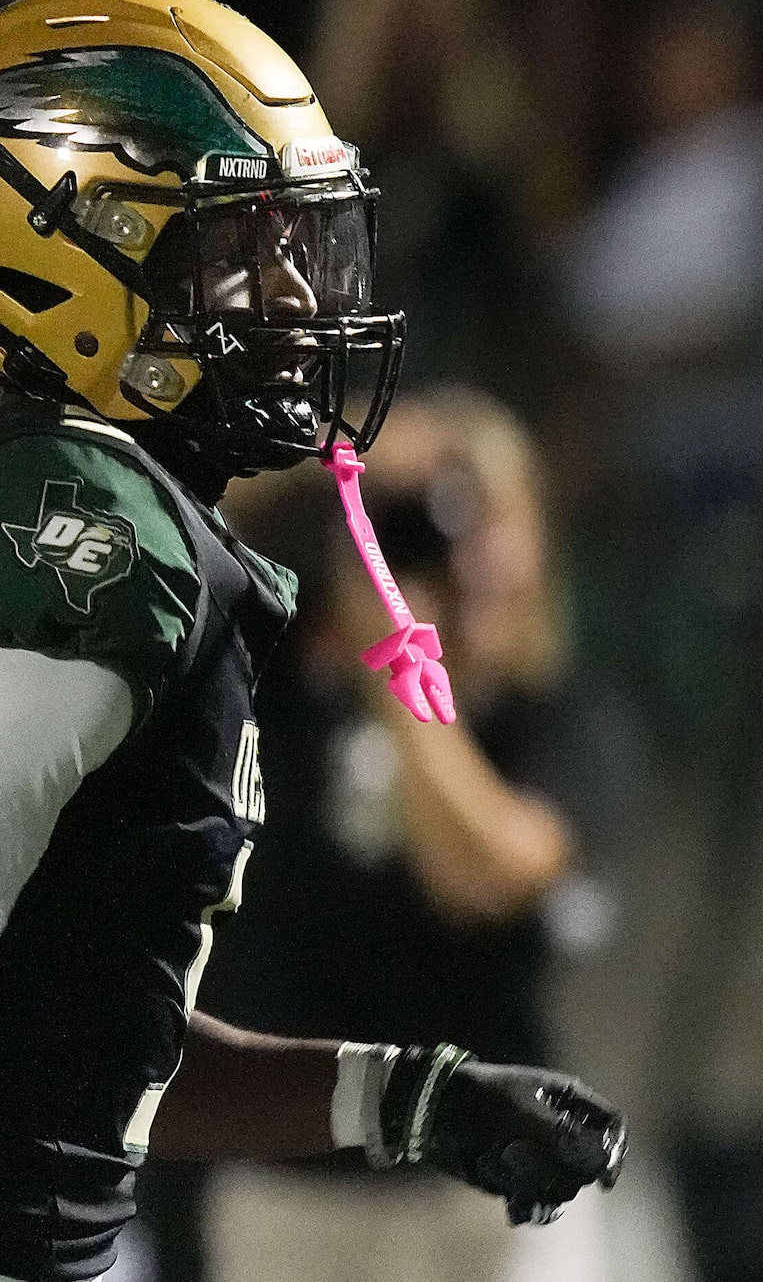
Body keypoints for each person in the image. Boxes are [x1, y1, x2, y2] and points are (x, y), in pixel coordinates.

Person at [0, 0, 622, 1282]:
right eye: (235, 253)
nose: (287, 297)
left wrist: (408, 1097)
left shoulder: (131, 538)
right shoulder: (129, 575)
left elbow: (83, 1035)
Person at [184, 386, 620, 1282]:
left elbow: (492, 874)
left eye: (479, 515)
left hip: (493, 1183)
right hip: (295, 1181)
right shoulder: (277, 696)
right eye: (410, 522)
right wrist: (326, 465)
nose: (447, 551)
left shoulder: (546, 717)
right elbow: (199, 526)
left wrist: (397, 657)